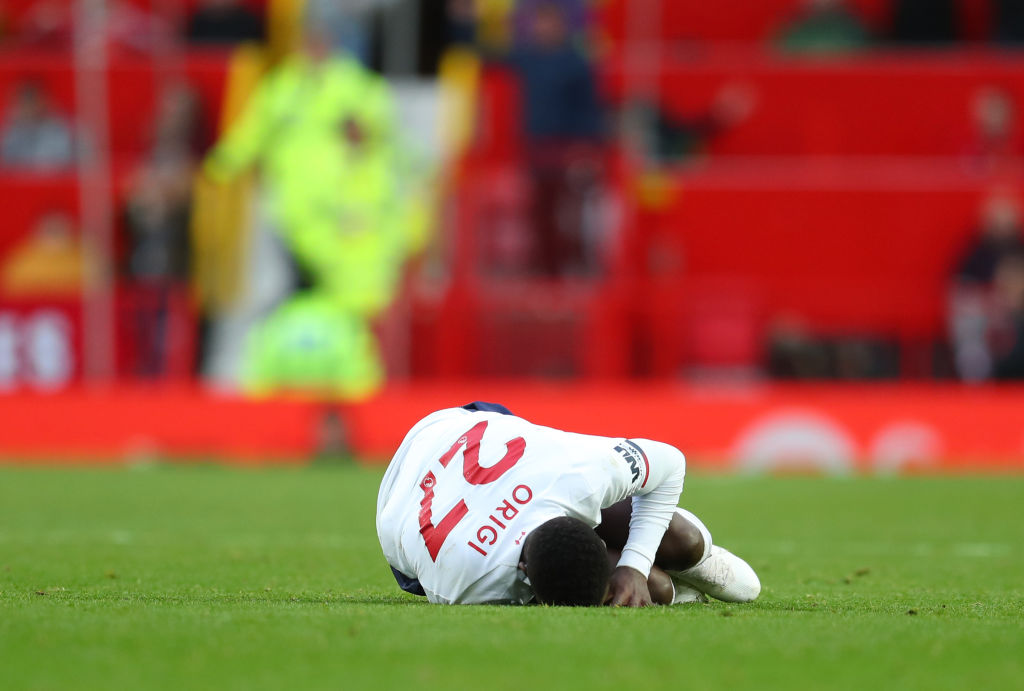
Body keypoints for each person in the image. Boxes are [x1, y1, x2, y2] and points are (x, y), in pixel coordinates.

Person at [376, 402, 761, 606]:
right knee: (653, 588)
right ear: (522, 571)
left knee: (682, 540)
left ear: (584, 520)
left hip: (460, 427)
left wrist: (633, 565)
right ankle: (678, 588)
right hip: (398, 502)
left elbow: (671, 462)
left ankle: (695, 557)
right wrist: (640, 575)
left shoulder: (577, 476)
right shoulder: (469, 583)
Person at [0, 80, 74, 170]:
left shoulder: (62, 130)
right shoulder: (10, 131)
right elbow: (6, 165)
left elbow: (57, 165)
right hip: (19, 183)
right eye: (21, 101)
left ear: (44, 101)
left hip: (54, 182)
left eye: (30, 100)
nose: (27, 107)